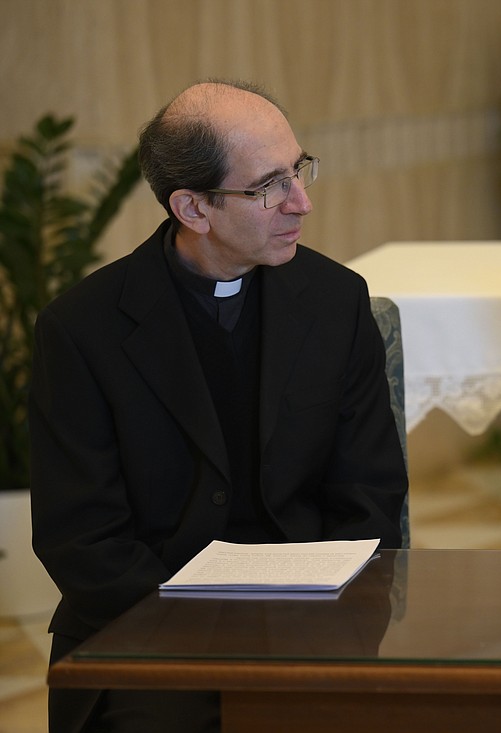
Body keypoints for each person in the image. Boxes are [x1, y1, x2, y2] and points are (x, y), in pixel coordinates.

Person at [29, 80, 408, 732]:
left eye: (299, 169)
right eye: (268, 187)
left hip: (309, 622)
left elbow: (370, 494)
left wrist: (315, 621)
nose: (302, 201)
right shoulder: (82, 328)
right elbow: (82, 539)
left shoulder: (336, 301)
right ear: (193, 208)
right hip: (147, 633)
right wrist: (206, 629)